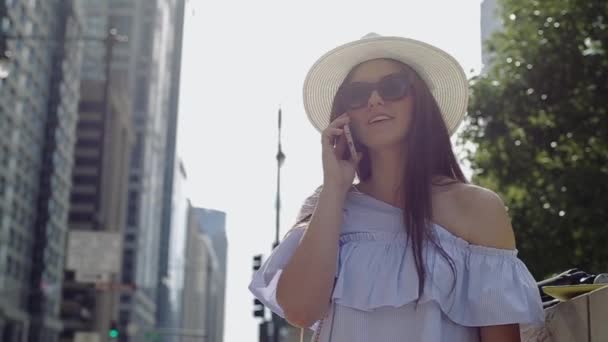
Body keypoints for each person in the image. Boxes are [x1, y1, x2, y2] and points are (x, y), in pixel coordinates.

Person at [249, 33, 544, 342]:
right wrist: (335, 188)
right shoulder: (325, 206)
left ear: (420, 102)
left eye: (393, 87)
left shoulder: (477, 208)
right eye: (357, 94)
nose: (375, 100)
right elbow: (300, 311)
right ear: (344, 115)